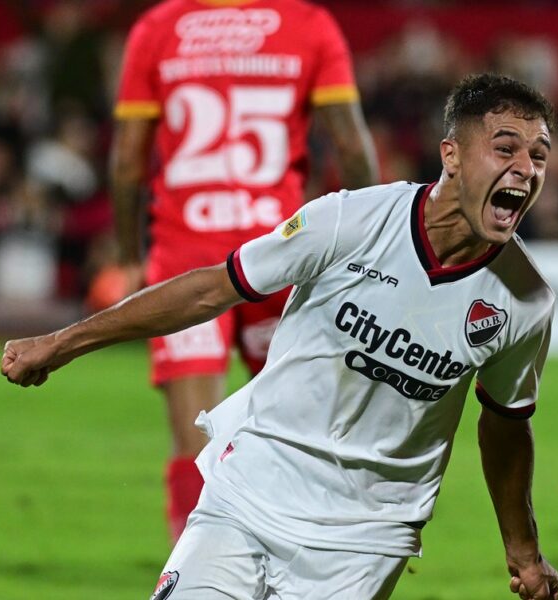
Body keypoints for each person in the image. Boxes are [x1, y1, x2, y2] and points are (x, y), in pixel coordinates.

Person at [3, 73, 558, 600]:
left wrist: (524, 551)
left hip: (365, 539)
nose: (525, 168)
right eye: (505, 148)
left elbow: (506, 423)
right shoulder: (351, 221)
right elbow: (210, 290)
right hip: (248, 492)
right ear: (453, 156)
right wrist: (61, 344)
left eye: (539, 156)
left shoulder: (525, 299)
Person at [109, 0, 379, 541]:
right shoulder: (307, 24)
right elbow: (350, 147)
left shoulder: (158, 29)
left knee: (195, 444)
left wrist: (128, 256)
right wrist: (371, 248)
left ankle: (193, 585)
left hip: (186, 257)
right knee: (296, 436)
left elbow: (127, 164)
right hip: (280, 255)